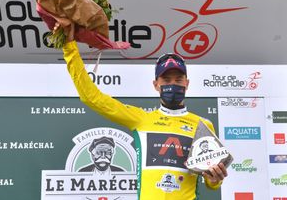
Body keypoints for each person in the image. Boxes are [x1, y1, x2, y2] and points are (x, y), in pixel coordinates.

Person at [60, 26, 228, 199]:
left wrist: (215, 179)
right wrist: (69, 46)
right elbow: (91, 97)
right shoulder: (141, 119)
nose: (173, 84)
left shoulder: (203, 125)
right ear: (156, 84)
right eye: (166, 80)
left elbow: (212, 182)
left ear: (187, 84)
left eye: (178, 79)